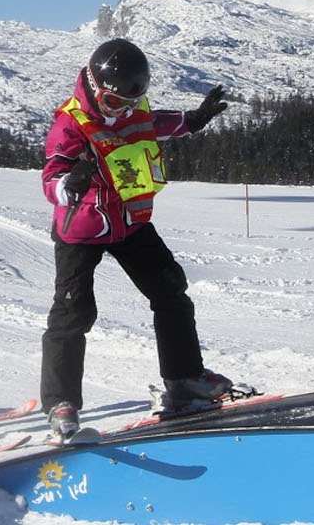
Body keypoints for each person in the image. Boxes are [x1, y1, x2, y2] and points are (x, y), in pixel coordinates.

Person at [38, 38, 247, 443]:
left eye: (130, 104)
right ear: (96, 89)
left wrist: (193, 120)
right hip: (82, 227)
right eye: (115, 104)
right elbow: (50, 181)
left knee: (170, 287)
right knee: (73, 312)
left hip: (129, 220)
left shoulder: (133, 110)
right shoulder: (70, 123)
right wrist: (71, 183)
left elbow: (155, 123)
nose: (123, 112)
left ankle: (183, 378)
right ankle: (61, 403)